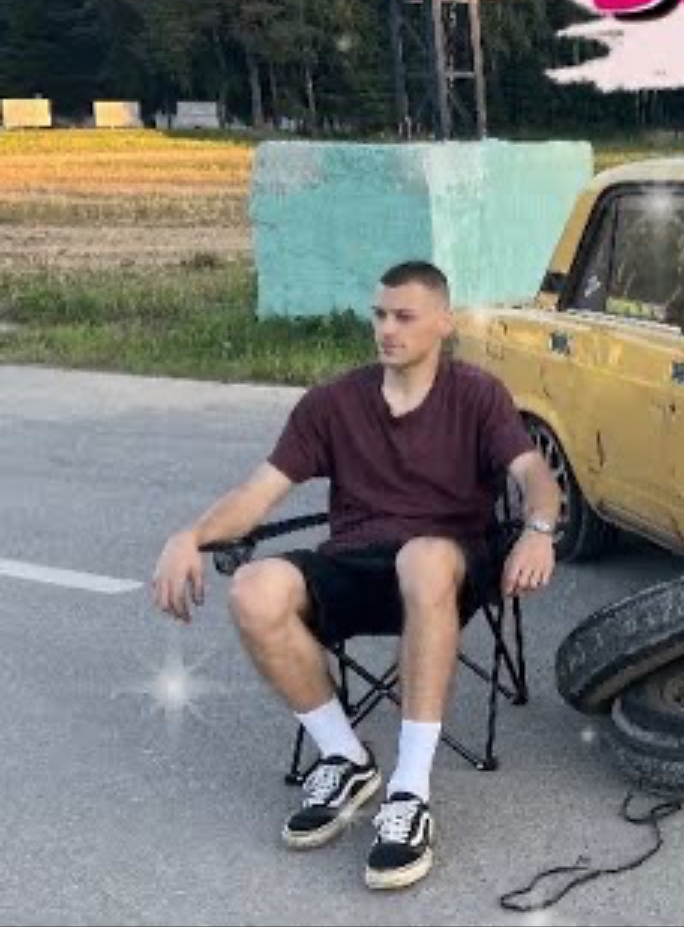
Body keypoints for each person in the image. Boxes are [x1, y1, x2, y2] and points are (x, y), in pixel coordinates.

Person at [149, 260, 564, 892]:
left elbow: (535, 475)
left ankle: (409, 792)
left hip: (448, 568)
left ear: (443, 323)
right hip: (356, 561)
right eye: (379, 315)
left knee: (421, 558)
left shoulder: (477, 394)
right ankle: (345, 757)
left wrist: (538, 531)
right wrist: (190, 534)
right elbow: (256, 496)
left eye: (404, 317)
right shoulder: (333, 403)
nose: (387, 330)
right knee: (254, 587)